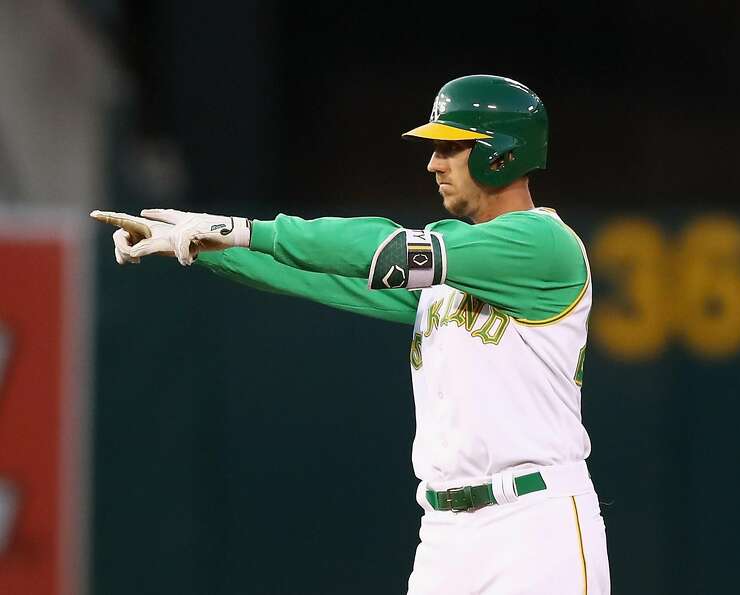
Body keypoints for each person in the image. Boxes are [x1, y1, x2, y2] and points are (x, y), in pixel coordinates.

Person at [93, 74, 611, 595]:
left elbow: (379, 248)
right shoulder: (449, 263)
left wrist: (246, 229)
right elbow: (327, 275)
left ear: (500, 154)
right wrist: (209, 248)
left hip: (534, 528)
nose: (434, 163)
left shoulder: (544, 244)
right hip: (445, 535)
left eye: (451, 147)